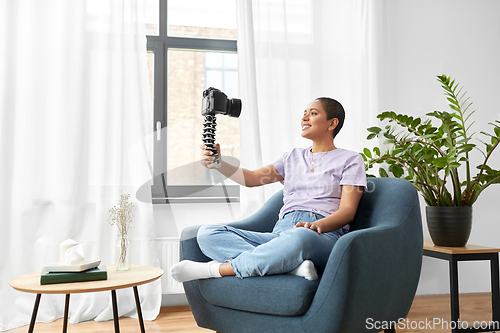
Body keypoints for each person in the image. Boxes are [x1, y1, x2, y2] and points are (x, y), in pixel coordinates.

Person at [171, 97, 367, 283]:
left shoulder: (350, 159)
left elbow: (347, 211)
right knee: (207, 233)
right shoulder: (292, 157)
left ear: (332, 124)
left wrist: (318, 226)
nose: (304, 118)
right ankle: (288, 266)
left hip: (321, 235)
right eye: (304, 113)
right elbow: (252, 179)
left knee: (299, 237)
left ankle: (213, 271)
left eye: (313, 113)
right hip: (280, 234)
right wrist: (220, 164)